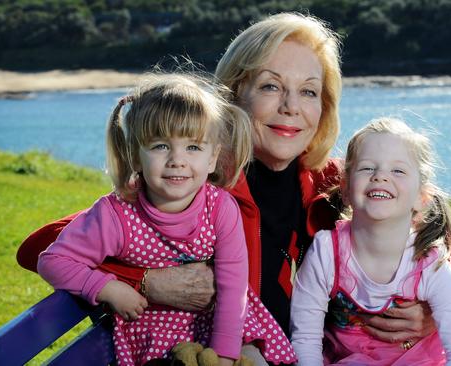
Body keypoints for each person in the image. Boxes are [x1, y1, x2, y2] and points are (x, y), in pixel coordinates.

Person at [17, 13, 451, 363]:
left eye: (308, 91)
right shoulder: (198, 181)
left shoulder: (329, 182)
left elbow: (431, 223)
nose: (290, 107)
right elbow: (39, 246)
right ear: (233, 96)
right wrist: (148, 282)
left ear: (325, 108)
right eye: (269, 86)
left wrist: (431, 309)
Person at [36, 73, 295, 365]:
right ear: (135, 156)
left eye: (193, 147)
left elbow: (233, 287)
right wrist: (107, 287)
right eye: (160, 146)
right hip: (153, 340)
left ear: (212, 158)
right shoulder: (116, 214)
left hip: (224, 328)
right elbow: (52, 261)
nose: (177, 160)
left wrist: (223, 357)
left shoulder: (221, 207)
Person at [290, 117, 451, 365]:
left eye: (398, 170)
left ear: (422, 198)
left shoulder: (430, 264)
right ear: (346, 188)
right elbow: (305, 337)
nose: (380, 176)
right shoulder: (327, 252)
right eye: (368, 167)